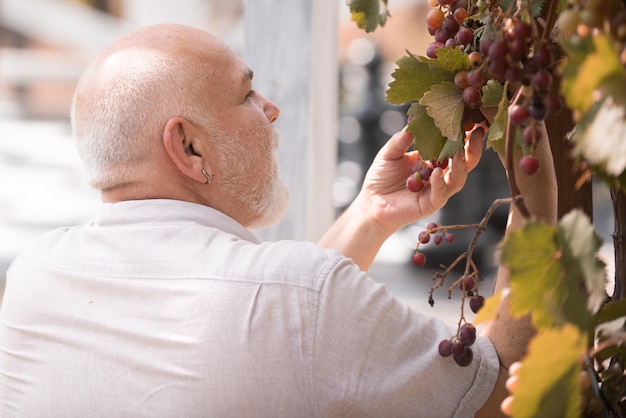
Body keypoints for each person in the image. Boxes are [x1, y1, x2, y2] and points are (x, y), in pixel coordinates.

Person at [0, 24, 556, 417]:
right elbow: (503, 394)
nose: (271, 108)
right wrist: (536, 203)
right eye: (246, 93)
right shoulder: (298, 298)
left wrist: (369, 215)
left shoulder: (33, 277)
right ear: (190, 148)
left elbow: (280, 324)